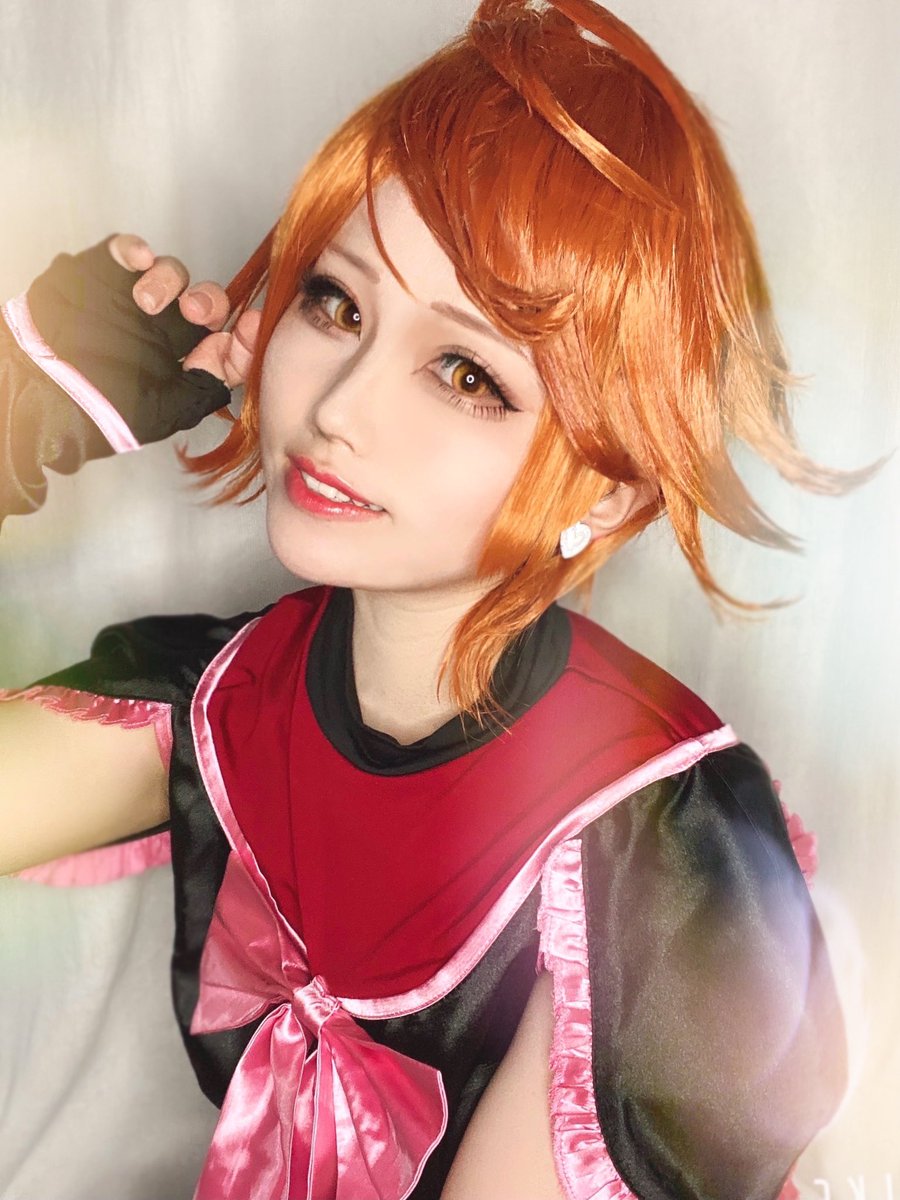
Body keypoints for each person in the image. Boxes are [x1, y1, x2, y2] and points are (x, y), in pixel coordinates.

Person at [0, 1, 878, 1197]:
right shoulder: (231, 694)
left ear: (610, 487)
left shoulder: (651, 849)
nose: (342, 406)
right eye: (337, 304)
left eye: (466, 373)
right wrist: (19, 413)